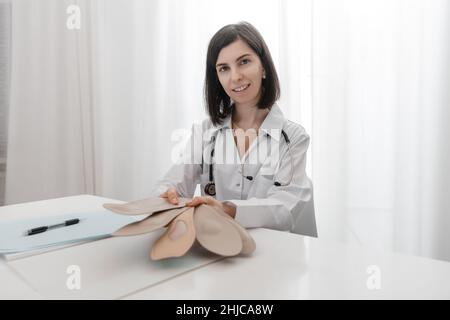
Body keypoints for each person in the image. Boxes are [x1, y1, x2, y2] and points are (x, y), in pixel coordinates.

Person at [152, 21, 313, 232]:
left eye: (244, 62)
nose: (235, 76)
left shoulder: (293, 137)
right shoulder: (204, 132)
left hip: (275, 252)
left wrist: (227, 209)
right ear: (217, 77)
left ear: (263, 67)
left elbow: (285, 207)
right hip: (221, 249)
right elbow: (172, 183)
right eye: (224, 68)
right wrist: (168, 194)